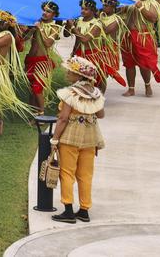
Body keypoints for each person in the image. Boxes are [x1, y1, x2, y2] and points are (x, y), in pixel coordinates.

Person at [50, 56, 105, 224]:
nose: (67, 73)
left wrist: (55, 139)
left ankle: (67, 210)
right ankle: (84, 210)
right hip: (90, 138)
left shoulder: (70, 93)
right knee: (85, 175)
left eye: (71, 72)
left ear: (79, 76)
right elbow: (101, 114)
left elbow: (63, 118)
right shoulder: (95, 93)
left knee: (67, 173)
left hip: (70, 137)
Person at [122, 0, 160, 95]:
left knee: (144, 64)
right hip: (128, 35)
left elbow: (153, 18)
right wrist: (121, 6)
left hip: (143, 37)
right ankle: (131, 88)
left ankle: (147, 86)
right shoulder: (131, 0)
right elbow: (121, 12)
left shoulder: (153, 3)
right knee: (129, 63)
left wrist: (141, 8)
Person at [69, 0, 125, 92]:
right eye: (82, 9)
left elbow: (85, 39)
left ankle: (99, 97)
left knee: (99, 77)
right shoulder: (80, 20)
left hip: (97, 52)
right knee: (77, 77)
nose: (83, 11)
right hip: (80, 53)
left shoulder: (100, 23)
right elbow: (68, 35)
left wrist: (73, 27)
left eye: (86, 9)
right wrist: (68, 25)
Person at [21, 1, 63, 113]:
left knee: (37, 88)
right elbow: (24, 39)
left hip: (42, 62)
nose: (45, 13)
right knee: (32, 90)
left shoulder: (55, 27)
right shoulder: (36, 24)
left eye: (48, 11)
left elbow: (48, 43)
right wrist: (31, 30)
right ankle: (34, 114)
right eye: (44, 10)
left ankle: (41, 114)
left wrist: (40, 28)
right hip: (30, 60)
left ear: (54, 15)